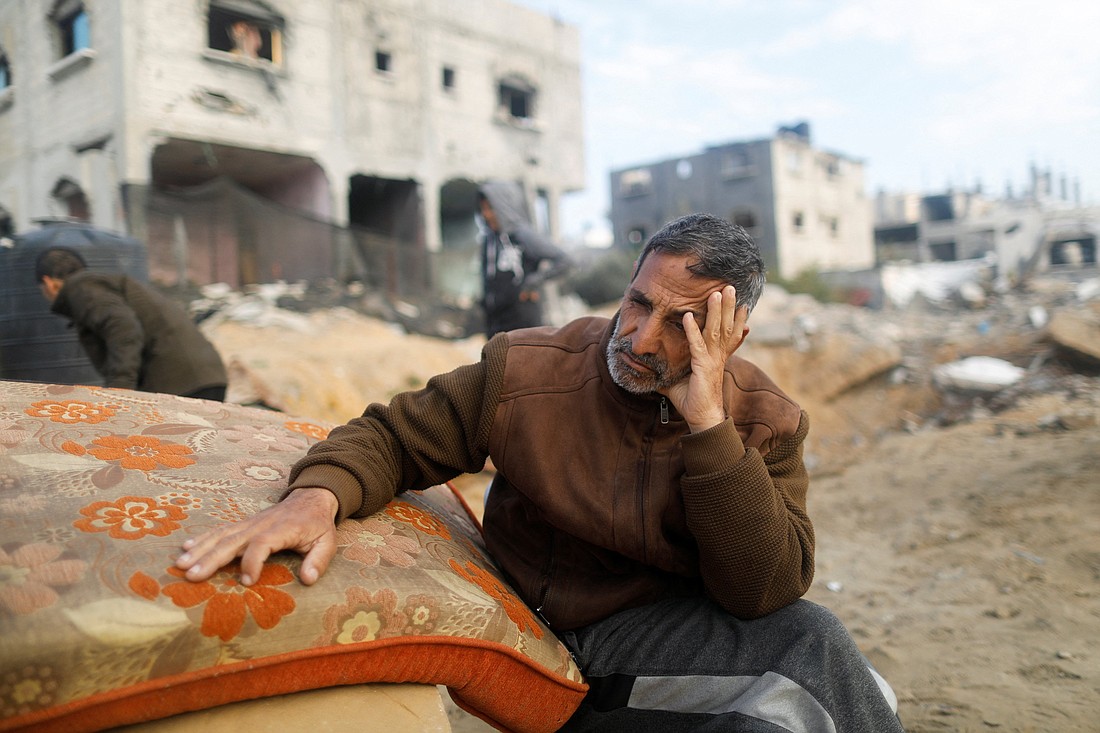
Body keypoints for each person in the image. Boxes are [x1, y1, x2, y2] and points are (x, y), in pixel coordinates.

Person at [176, 214, 903, 731]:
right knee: (822, 688)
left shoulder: (764, 420)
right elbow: (391, 434)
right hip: (544, 630)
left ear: (729, 334)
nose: (640, 337)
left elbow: (765, 591)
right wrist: (315, 497)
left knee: (814, 665)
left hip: (659, 636)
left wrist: (708, 427)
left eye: (678, 325)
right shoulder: (527, 370)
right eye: (637, 303)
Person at [35, 247, 228, 401]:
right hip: (199, 376)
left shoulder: (81, 288)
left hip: (180, 383)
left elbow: (123, 327)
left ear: (49, 283)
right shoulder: (94, 287)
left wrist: (120, 389)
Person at [478, 180, 571, 338]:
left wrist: (532, 283)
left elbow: (564, 261)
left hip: (522, 321)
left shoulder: (522, 235)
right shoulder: (489, 241)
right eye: (482, 209)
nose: (485, 215)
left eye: (490, 208)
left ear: (503, 206)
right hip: (495, 322)